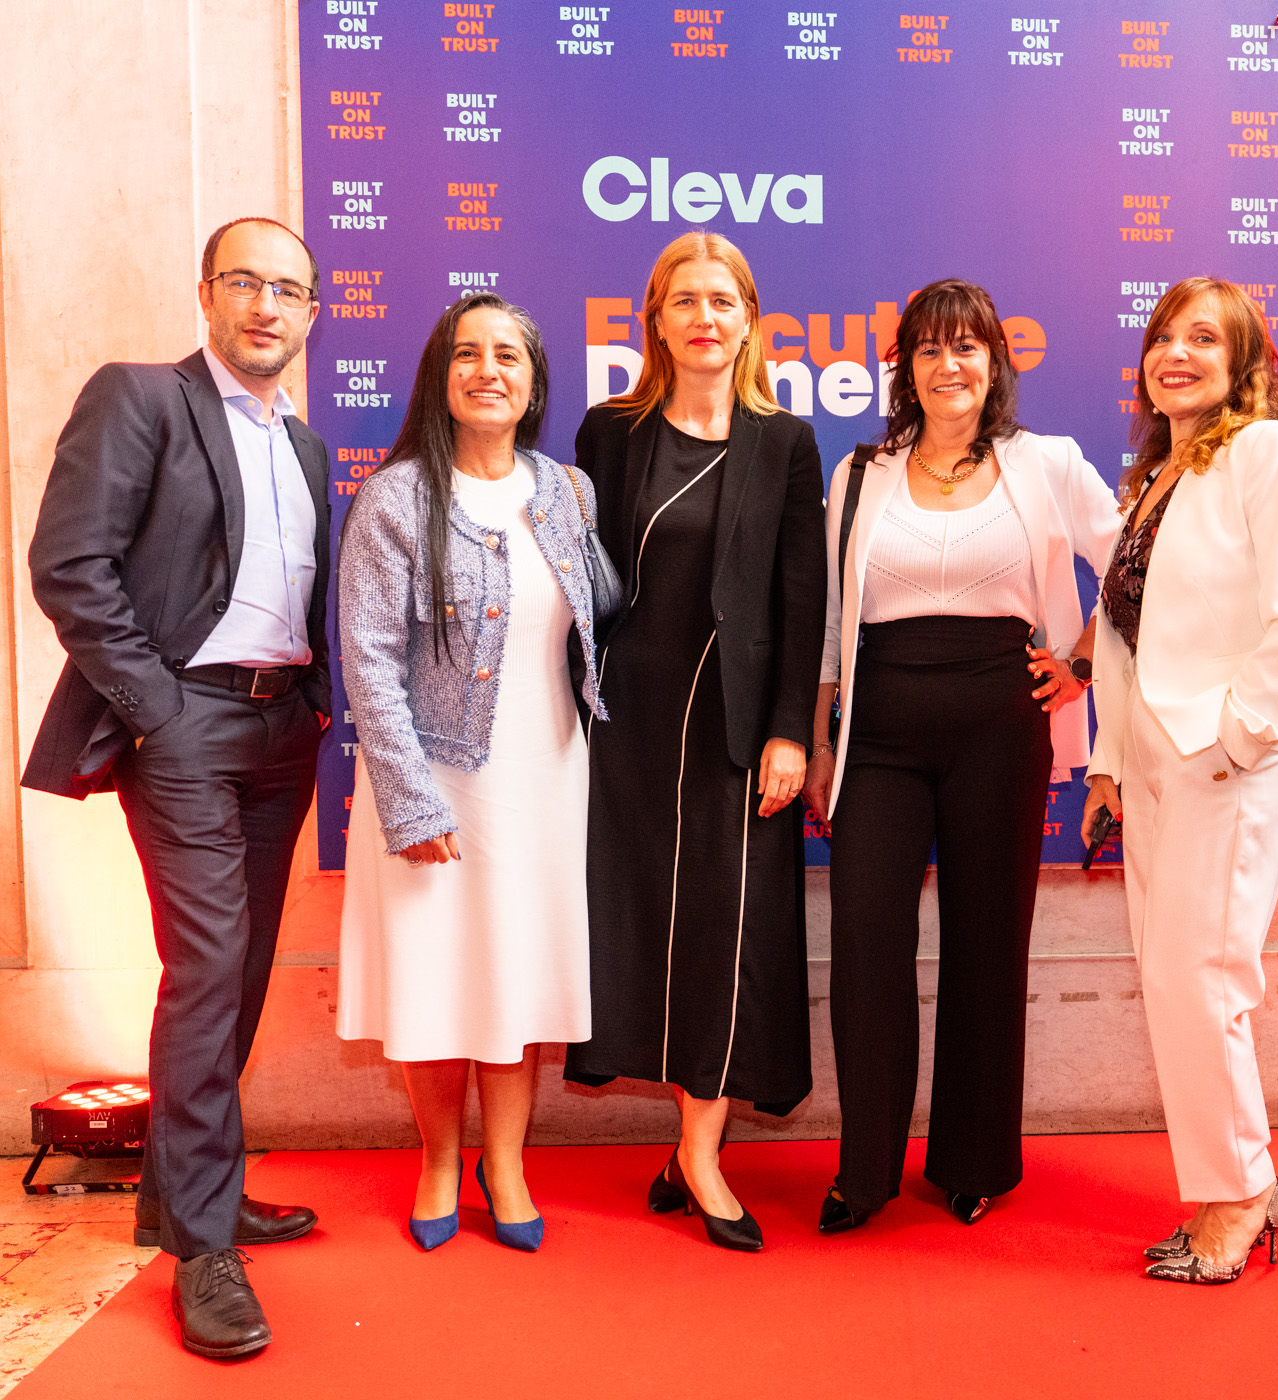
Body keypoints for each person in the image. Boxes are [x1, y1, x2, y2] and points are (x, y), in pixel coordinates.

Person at [24, 217, 330, 1358]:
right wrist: (157, 708)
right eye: (245, 281)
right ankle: (203, 1250)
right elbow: (69, 564)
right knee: (206, 968)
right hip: (186, 722)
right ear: (207, 294)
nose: (266, 305)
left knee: (239, 971)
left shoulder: (304, 446)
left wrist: (313, 703)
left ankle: (182, 1193)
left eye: (288, 290)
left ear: (312, 314)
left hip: (281, 726)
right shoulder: (142, 397)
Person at [802, 279, 1119, 1233]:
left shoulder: (1047, 463)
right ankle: (864, 1171)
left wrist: (1082, 660)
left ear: (995, 362)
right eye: (930, 348)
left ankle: (974, 1162)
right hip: (878, 731)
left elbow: (1139, 558)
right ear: (904, 366)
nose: (950, 365)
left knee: (988, 945)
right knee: (867, 948)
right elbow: (832, 622)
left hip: (1000, 725)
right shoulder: (859, 474)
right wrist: (819, 741)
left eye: (968, 347)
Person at [562, 232, 826, 1253]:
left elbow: (800, 598)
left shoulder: (785, 441)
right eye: (686, 300)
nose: (705, 316)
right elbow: (578, 582)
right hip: (625, 726)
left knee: (727, 932)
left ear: (749, 318)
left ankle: (701, 1151)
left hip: (736, 728)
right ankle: (685, 1148)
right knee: (637, 924)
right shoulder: (609, 433)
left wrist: (790, 731)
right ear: (658, 321)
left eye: (723, 299)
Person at [1081, 277, 1278, 1284]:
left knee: (1205, 976)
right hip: (1157, 759)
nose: (1176, 353)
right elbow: (1123, 631)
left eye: (1203, 337)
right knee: (1174, 979)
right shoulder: (1159, 473)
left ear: (1245, 363)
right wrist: (1109, 763)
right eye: (1163, 336)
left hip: (1229, 759)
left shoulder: (1271, 453)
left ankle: (1240, 1194)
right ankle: (1228, 1182)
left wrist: (1238, 738)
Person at [337, 293, 604, 1255]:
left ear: (533, 382)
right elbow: (368, 659)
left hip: (547, 775)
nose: (488, 370)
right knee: (437, 973)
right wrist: (409, 803)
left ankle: (510, 1163)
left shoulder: (568, 490)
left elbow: (596, 621)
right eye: (467, 354)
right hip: (435, 779)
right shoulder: (396, 497)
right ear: (440, 377)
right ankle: (441, 1160)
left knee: (516, 971)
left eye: (508, 356)